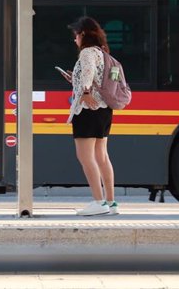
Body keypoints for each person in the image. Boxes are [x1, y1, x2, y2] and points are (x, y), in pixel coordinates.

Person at [63, 16, 118, 216]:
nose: (74, 39)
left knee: (85, 156)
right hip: (104, 109)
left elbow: (88, 72)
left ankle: (98, 202)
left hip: (87, 109)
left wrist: (84, 93)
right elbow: (97, 76)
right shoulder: (103, 52)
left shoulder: (87, 52)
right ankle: (111, 203)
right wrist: (75, 80)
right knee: (102, 156)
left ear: (83, 34)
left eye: (76, 35)